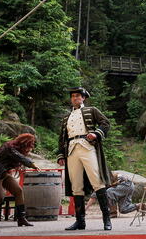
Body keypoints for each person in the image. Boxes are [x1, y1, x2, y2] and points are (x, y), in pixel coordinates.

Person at [57, 86, 112, 231]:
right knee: (76, 186)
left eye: (78, 96)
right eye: (73, 96)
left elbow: (105, 123)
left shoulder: (91, 110)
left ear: (83, 98)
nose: (75, 98)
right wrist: (61, 154)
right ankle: (80, 221)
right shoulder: (66, 117)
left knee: (97, 181)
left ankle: (107, 219)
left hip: (88, 148)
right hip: (72, 150)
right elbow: (62, 138)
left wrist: (96, 133)